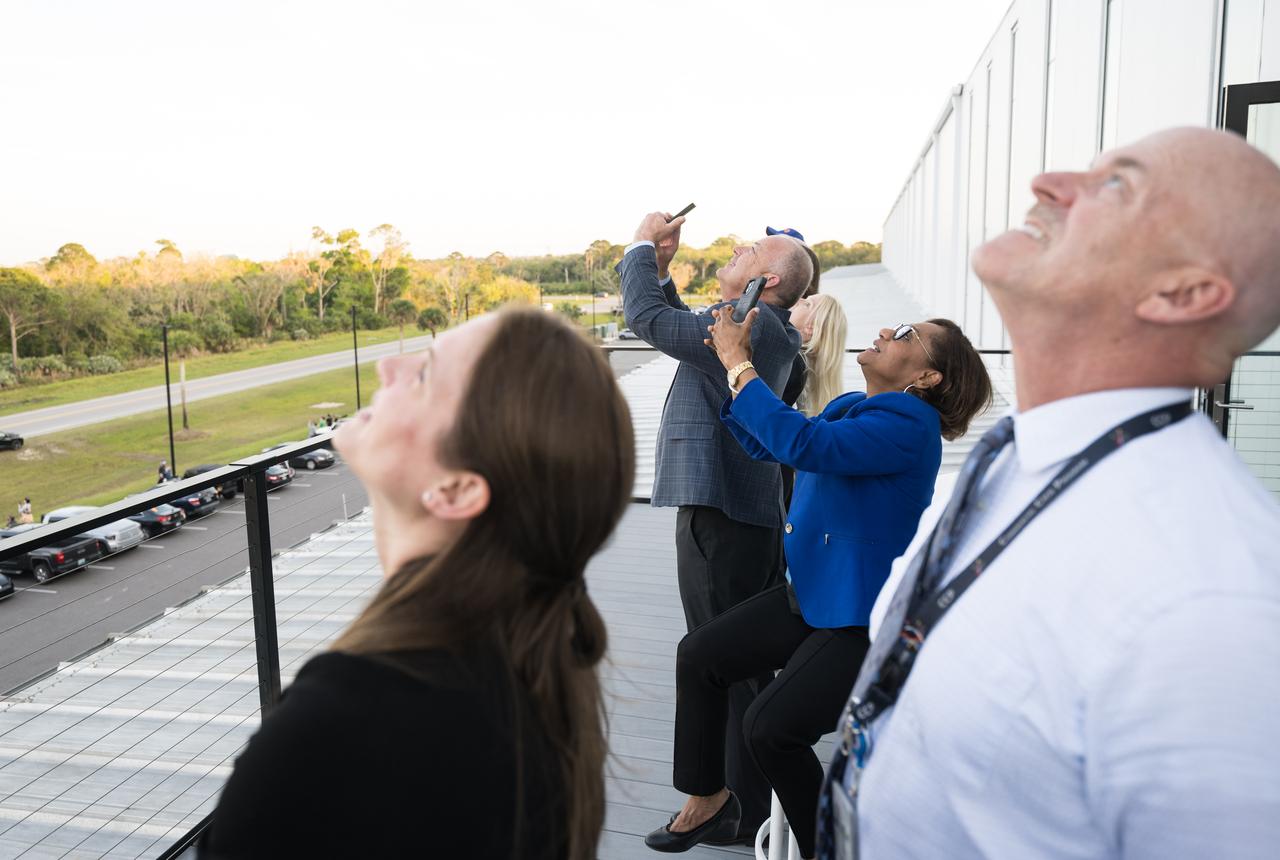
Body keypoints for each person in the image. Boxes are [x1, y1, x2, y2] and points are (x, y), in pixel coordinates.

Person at [820, 127, 1280, 860]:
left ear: (1184, 291)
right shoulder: (1010, 463)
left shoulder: (1213, 603)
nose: (1048, 182)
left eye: (1116, 185)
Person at [201, 308, 635, 859]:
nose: (387, 366)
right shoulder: (529, 670)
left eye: (425, 373)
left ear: (455, 491)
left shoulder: (345, 722)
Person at [645, 310, 990, 857]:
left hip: (860, 618)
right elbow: (776, 443)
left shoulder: (908, 426)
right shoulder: (853, 409)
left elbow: (805, 445)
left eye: (906, 335)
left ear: (926, 378)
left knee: (770, 730)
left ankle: (824, 847)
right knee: (701, 656)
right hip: (812, 596)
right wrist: (728, 367)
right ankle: (711, 798)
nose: (884, 331)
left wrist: (741, 364)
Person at [620, 210, 814, 838]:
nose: (736, 248)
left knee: (719, 659)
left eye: (751, 250)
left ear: (770, 283)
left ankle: (740, 805)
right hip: (748, 515)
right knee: (736, 659)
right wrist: (662, 270)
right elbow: (683, 328)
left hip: (720, 512)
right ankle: (746, 800)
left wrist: (643, 246)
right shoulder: (762, 329)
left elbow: (647, 320)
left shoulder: (746, 328)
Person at [780, 293, 847, 510]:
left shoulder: (792, 364)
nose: (798, 300)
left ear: (810, 329)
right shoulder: (798, 365)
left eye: (807, 303)